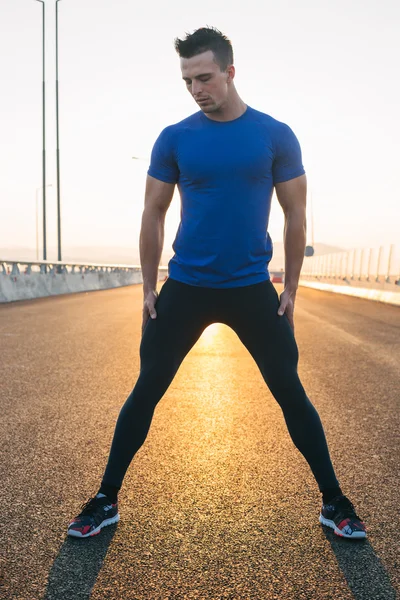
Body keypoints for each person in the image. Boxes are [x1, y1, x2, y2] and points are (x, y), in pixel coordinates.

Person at [67, 27, 366, 540]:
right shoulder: (175, 138)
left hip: (252, 287)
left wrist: (290, 288)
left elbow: (295, 217)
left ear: (230, 71)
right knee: (146, 391)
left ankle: (334, 501)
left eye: (204, 77)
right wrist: (146, 286)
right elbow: (153, 213)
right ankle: (105, 499)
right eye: (187, 81)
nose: (196, 89)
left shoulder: (275, 135)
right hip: (187, 285)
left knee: (290, 391)